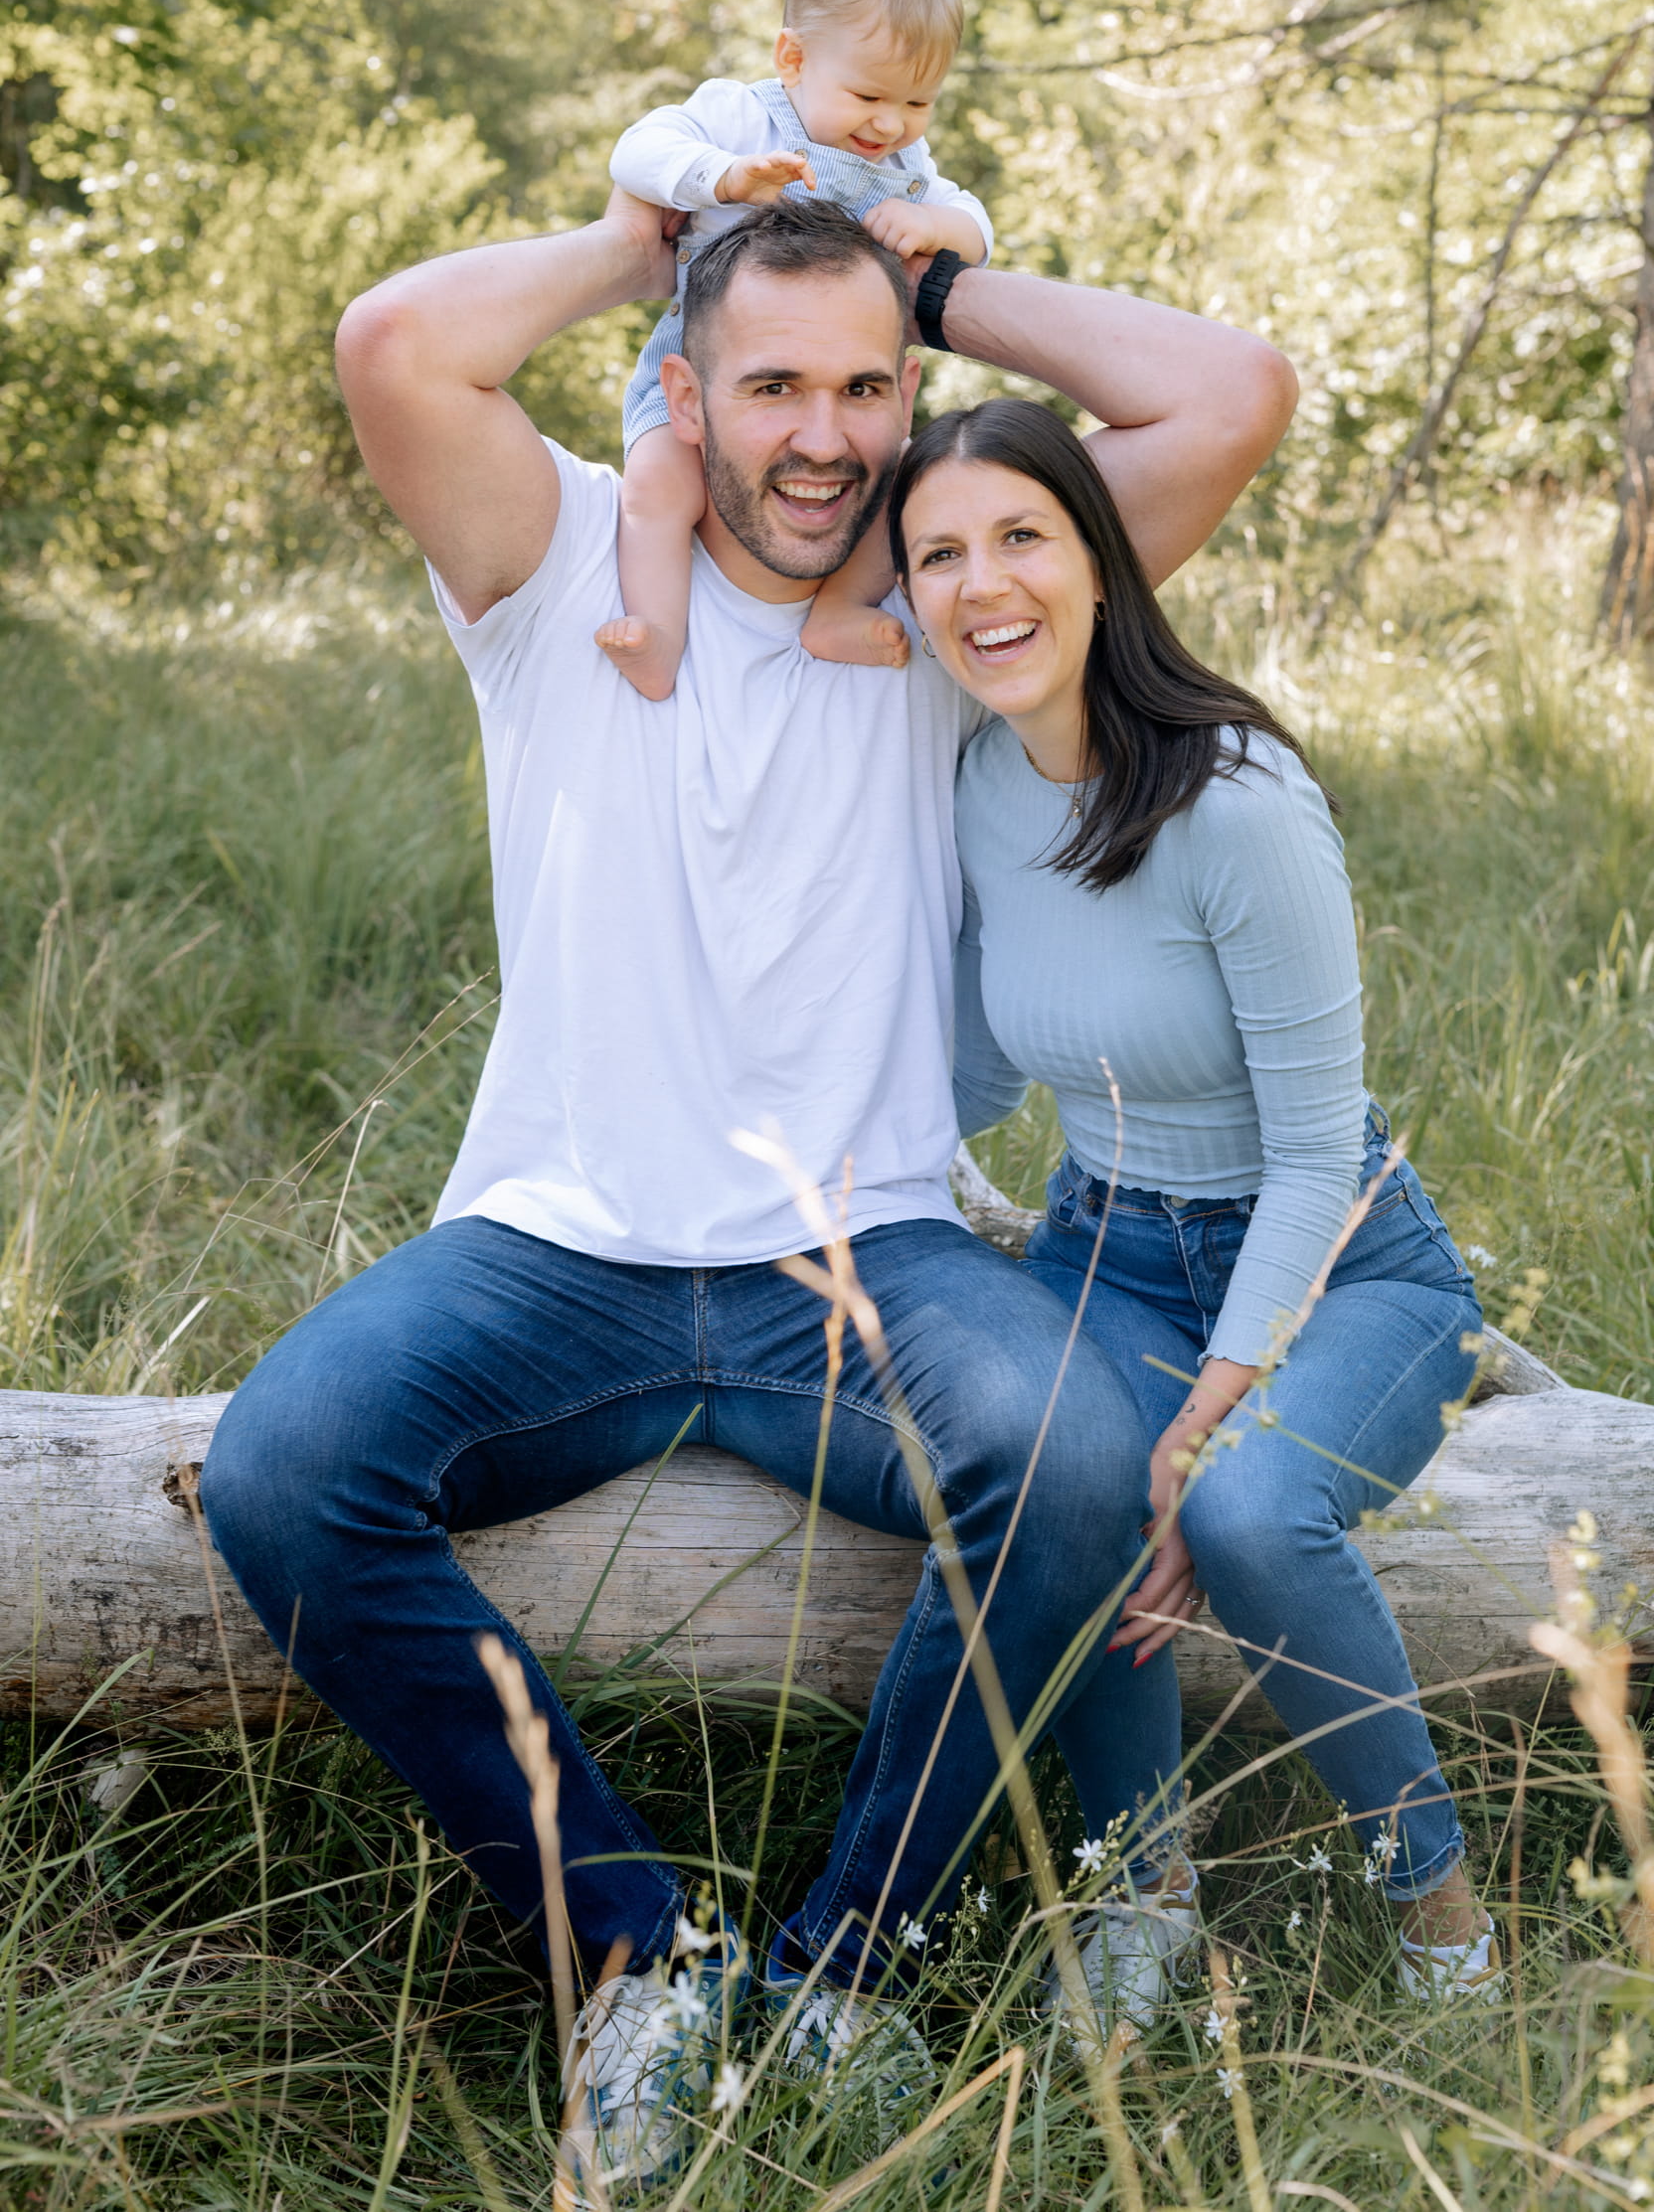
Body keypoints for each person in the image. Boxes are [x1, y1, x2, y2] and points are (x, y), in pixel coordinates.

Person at [198, 193, 1295, 2186]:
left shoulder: (945, 603)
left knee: (1075, 1455)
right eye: (771, 383)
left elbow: (1228, 394)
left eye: (867, 386)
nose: (823, 436)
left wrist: (933, 275)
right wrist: (651, 239)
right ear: (682, 398)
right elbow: (393, 344)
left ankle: (844, 1968)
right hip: (558, 1249)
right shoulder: (555, 564)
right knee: (282, 1470)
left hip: (863, 1252)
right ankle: (637, 1952)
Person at [887, 395, 1505, 2020]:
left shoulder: (1234, 801)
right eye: (938, 555)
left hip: (1346, 1263)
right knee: (1071, 1484)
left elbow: (1313, 1158)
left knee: (1238, 1512)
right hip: (1105, 1243)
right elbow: (971, 1074)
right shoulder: (978, 782)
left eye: (1019, 535)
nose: (981, 584)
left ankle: (1437, 1911)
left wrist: (1200, 1421)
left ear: (1099, 557)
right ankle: (1147, 1898)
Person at [599, 0, 991, 700]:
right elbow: (636, 151)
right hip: (701, 356)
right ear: (793, 59)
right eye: (868, 94)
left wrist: (933, 227)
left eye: (918, 103)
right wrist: (723, 176)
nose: (890, 123)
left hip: (842, 382)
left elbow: (976, 226)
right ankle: (659, 633)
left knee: (897, 492)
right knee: (657, 489)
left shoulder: (906, 164)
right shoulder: (743, 116)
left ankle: (839, 611)